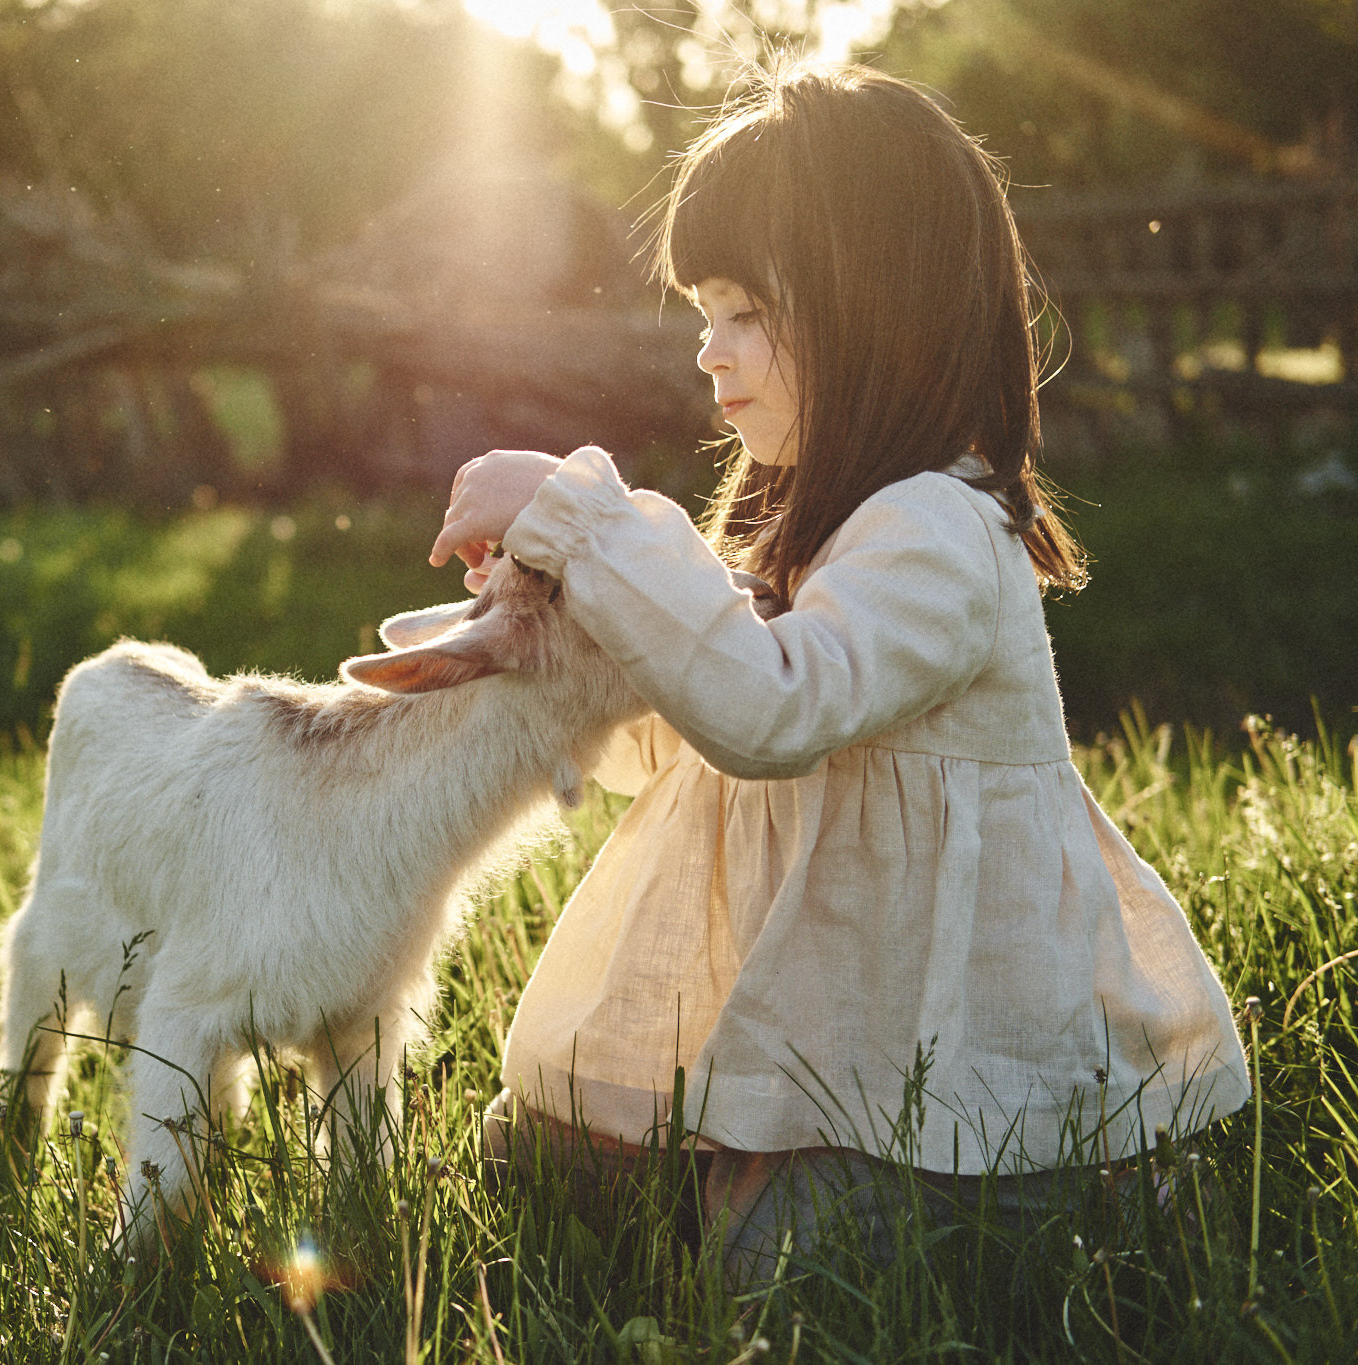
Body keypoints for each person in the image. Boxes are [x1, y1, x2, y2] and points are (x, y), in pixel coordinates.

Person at [427, 62, 1251, 1281]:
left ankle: (1089, 1197)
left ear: (881, 306)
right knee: (531, 1166)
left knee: (774, 1271)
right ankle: (741, 1163)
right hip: (813, 1033)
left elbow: (771, 713)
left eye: (745, 309)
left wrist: (578, 518)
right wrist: (554, 639)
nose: (709, 352)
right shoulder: (808, 531)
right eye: (703, 312)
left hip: (927, 1062)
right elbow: (689, 733)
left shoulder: (941, 531)